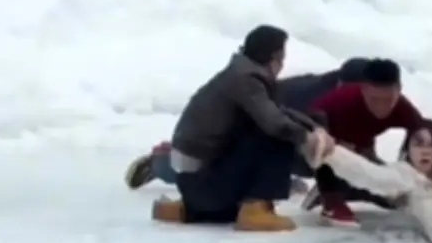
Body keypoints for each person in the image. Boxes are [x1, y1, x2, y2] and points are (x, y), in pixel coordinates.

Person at [152, 24, 335, 232]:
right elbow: (275, 123)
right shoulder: (246, 80)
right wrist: (304, 137)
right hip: (204, 182)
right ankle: (255, 209)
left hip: (195, 183)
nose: (282, 64)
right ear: (273, 57)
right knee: (276, 136)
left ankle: (187, 209)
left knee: (270, 129)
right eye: (281, 58)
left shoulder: (241, 73)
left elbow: (279, 110)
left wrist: (313, 129)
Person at [124, 58, 370, 190]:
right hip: (247, 130)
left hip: (282, 137)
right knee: (218, 180)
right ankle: (160, 163)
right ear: (341, 84)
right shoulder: (309, 95)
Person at [304, 58, 424, 227]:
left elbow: (425, 135)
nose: (381, 107)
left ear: (399, 90)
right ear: (364, 90)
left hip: (359, 145)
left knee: (388, 188)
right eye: (375, 100)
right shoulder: (338, 101)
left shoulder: (402, 107)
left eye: (388, 100)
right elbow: (306, 127)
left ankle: (349, 189)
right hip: (307, 145)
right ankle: (330, 201)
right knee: (322, 145)